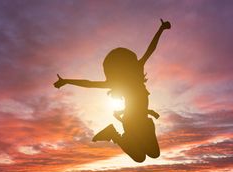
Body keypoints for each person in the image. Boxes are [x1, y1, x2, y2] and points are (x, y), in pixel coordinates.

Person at [54, 19, 171, 162]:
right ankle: (113, 134)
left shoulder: (136, 71)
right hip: (131, 122)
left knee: (154, 154)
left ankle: (119, 133)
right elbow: (89, 84)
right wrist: (66, 81)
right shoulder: (118, 82)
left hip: (142, 121)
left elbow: (151, 49)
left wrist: (161, 29)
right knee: (140, 157)